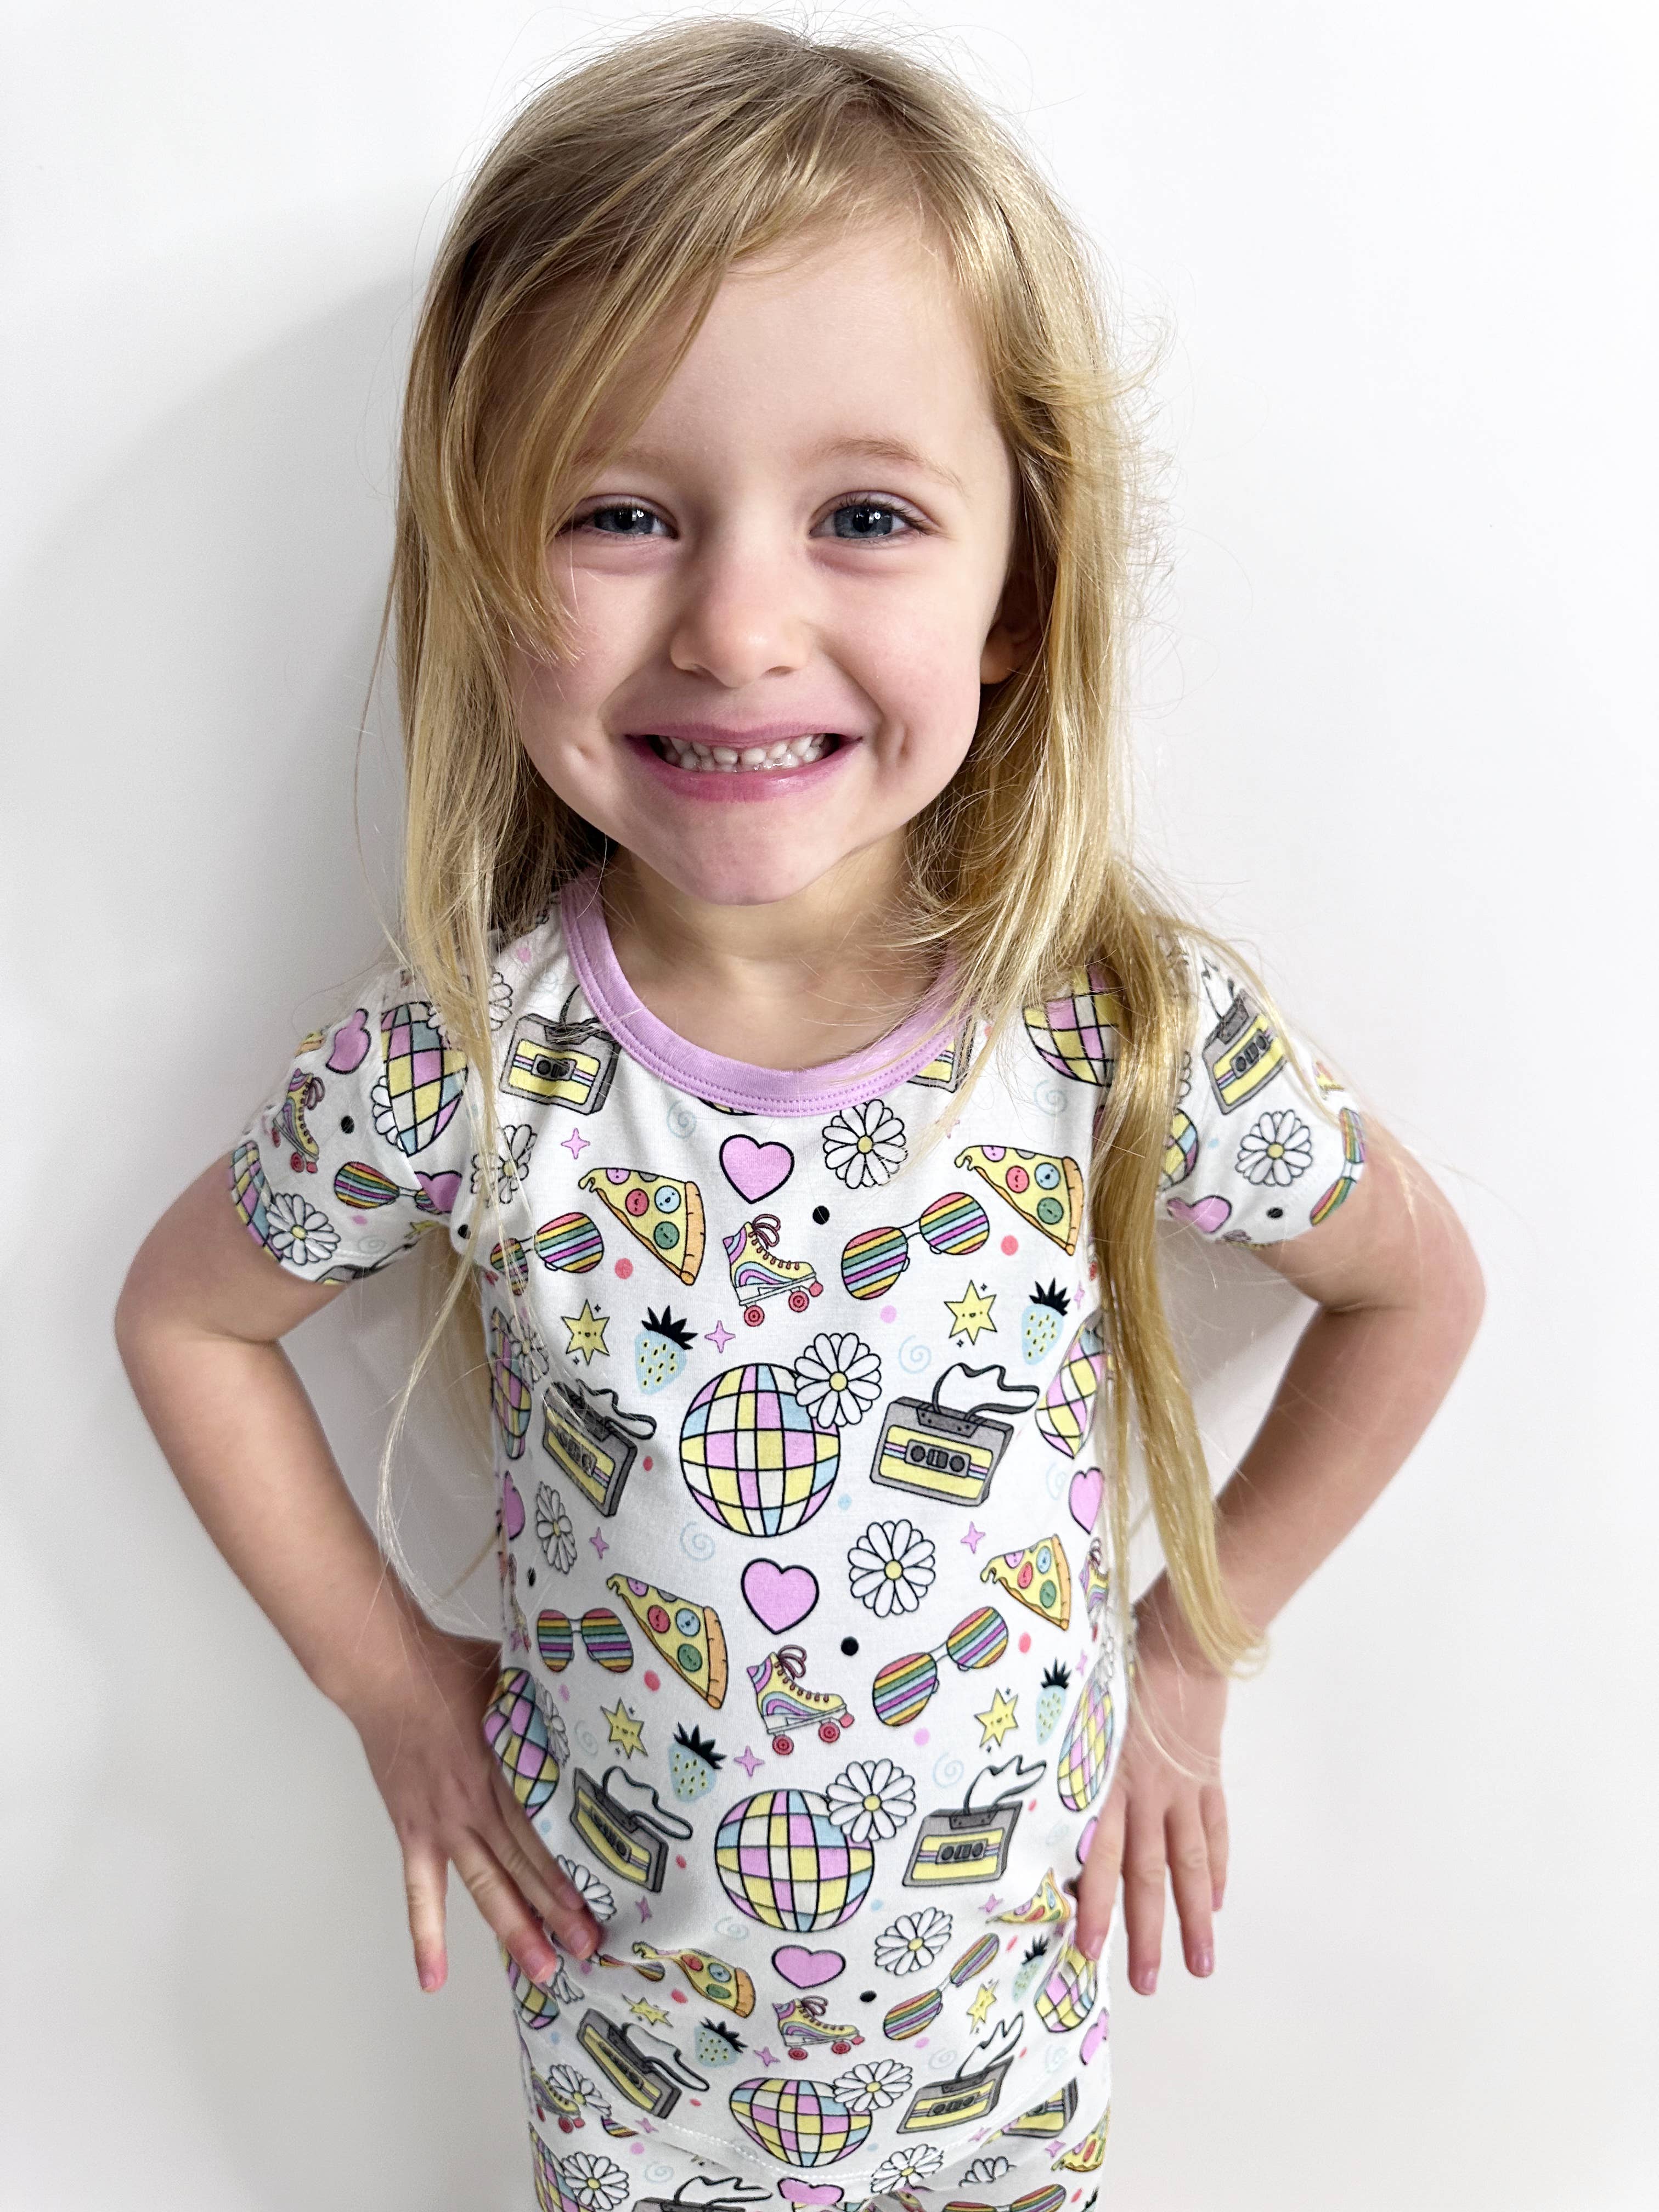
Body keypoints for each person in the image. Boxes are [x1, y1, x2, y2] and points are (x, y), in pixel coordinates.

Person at [115, 19, 1484, 2207]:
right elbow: (188, 1318)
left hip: (1002, 2079)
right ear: (485, 571)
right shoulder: (463, 1060)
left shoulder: (1116, 1031)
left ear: (1018, 589)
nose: (740, 626)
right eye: (620, 514)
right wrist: (389, 1688)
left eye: (865, 516)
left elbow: (1415, 1289)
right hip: (628, 2085)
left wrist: (1187, 1661)